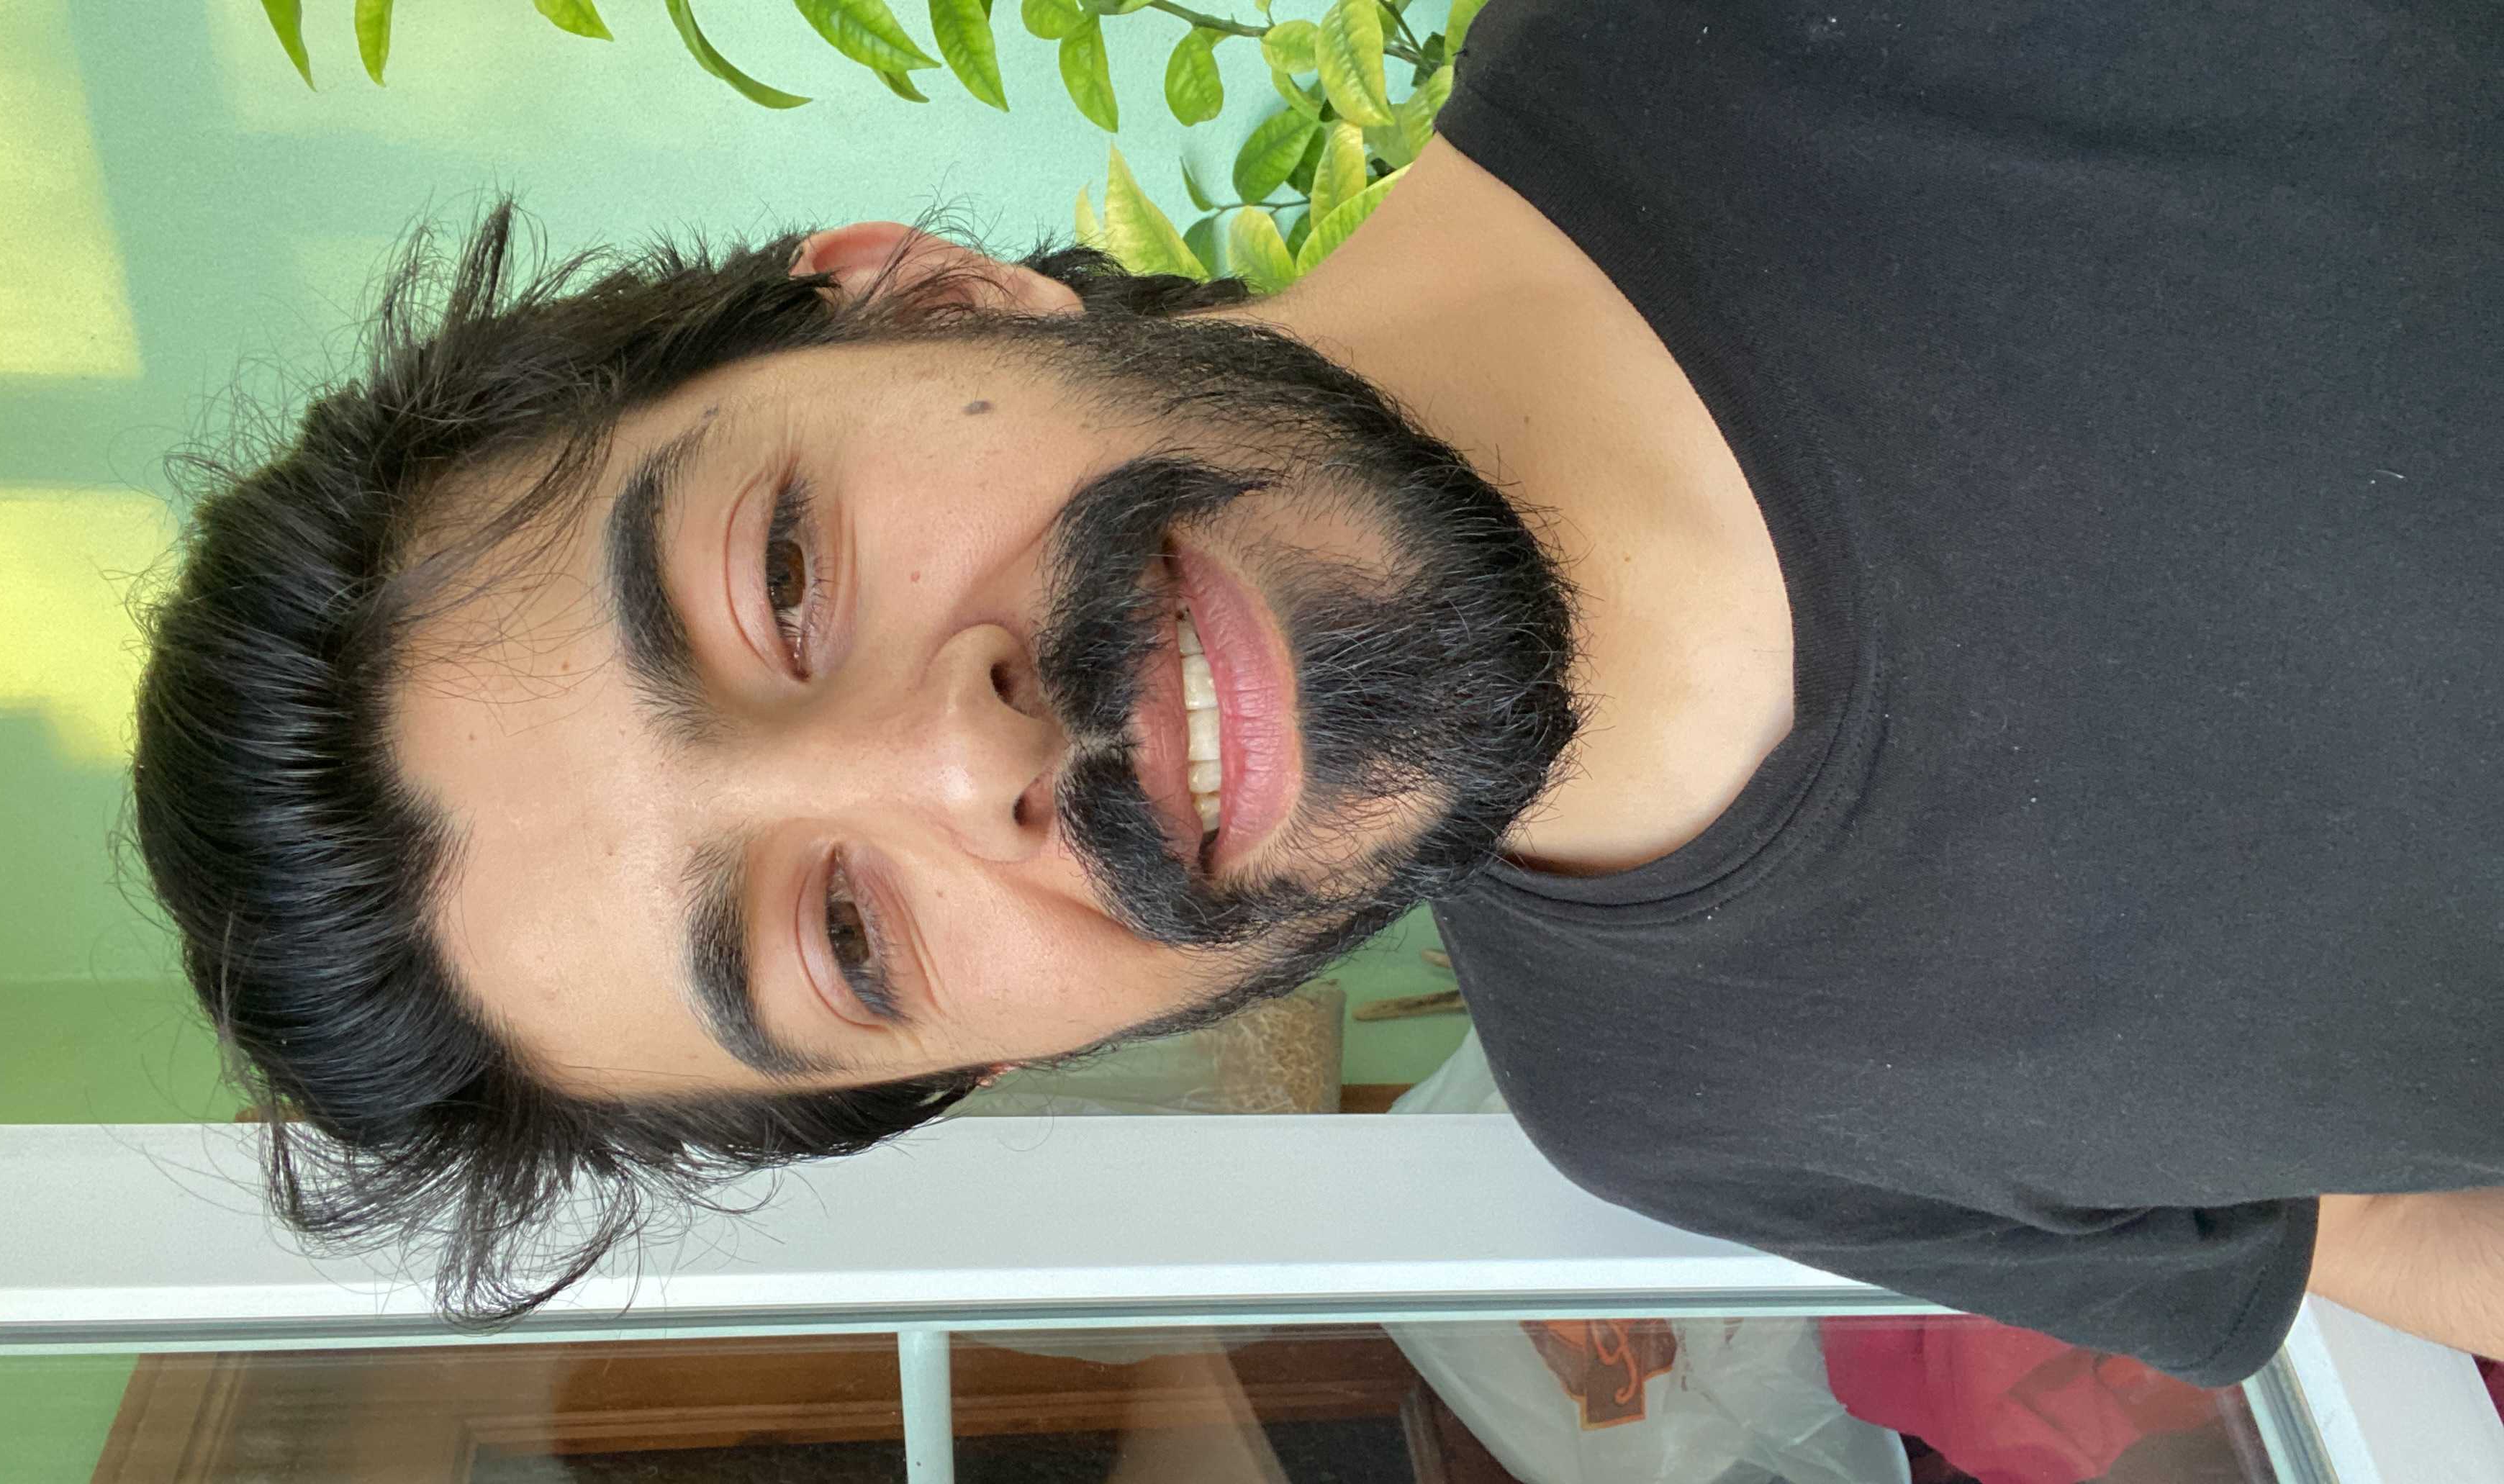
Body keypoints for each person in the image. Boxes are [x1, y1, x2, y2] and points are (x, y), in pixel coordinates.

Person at [130, 0, 2500, 1384]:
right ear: (997, 1055)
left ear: (921, 296)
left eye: (778, 579)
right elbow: (2390, 1232)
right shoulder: (1672, 1119)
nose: (959, 756)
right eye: (840, 936)